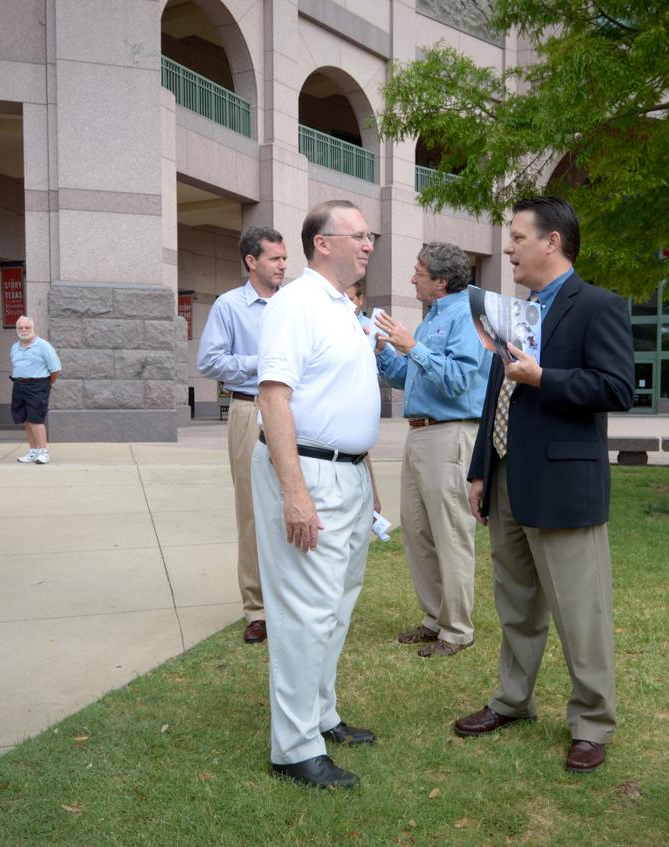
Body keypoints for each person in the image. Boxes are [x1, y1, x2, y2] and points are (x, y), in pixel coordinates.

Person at [455, 196, 634, 775]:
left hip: (563, 488)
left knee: (580, 612)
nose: (507, 247)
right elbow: (495, 396)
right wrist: (482, 469)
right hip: (508, 478)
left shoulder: (597, 306)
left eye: (516, 237)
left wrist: (544, 378)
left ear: (552, 241)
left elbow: (616, 388)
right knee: (516, 606)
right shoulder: (515, 311)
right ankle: (513, 699)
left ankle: (592, 722)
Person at [253, 200, 381, 789]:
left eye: (371, 235)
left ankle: (320, 714)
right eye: (359, 235)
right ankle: (294, 748)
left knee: (336, 606)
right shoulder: (294, 304)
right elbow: (274, 398)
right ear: (322, 243)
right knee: (306, 612)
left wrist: (367, 481)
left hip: (347, 475)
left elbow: (348, 402)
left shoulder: (344, 309)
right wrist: (295, 494)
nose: (369, 244)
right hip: (309, 473)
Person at [373, 242, 492, 658]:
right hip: (421, 434)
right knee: (418, 532)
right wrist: (385, 351)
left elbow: (458, 380)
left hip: (451, 436)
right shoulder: (432, 319)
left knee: (451, 534)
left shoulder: (468, 318)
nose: (412, 279)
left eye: (419, 272)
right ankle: (434, 618)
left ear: (440, 282)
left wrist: (412, 346)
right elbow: (410, 377)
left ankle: (458, 630)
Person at [196, 226, 286, 643]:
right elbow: (211, 361)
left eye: (285, 259)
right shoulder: (229, 306)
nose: (283, 265)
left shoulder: (294, 304)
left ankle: (290, 600)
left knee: (295, 503)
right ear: (252, 261)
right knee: (251, 511)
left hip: (295, 410)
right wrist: (261, 362)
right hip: (250, 409)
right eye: (275, 259)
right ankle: (258, 610)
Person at [9, 316, 61, 464]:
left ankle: (43, 452)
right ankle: (33, 451)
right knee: (25, 419)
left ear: (33, 329)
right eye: (20, 328)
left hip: (37, 386)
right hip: (19, 385)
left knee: (36, 420)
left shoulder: (44, 346)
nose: (24, 330)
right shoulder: (15, 347)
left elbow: (55, 370)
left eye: (27, 327)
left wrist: (45, 385)